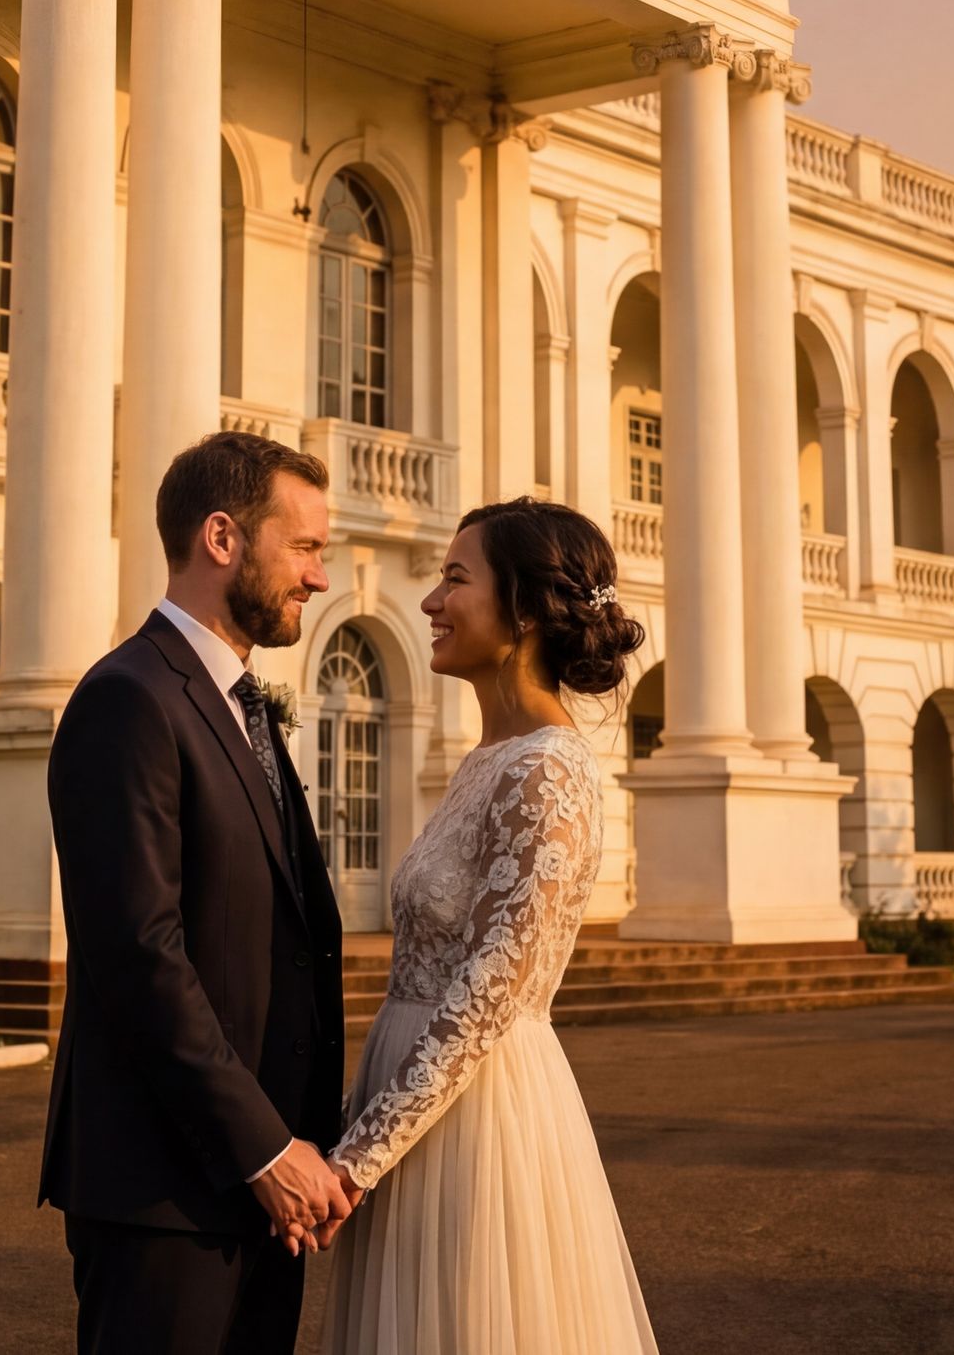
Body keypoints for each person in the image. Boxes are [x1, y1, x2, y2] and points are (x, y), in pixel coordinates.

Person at [320, 497, 661, 1354]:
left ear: (522, 611)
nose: (432, 601)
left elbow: (484, 997)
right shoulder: (485, 760)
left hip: (479, 1120)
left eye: (454, 578)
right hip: (409, 1102)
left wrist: (352, 1161)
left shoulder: (549, 771)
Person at [42, 430, 351, 1355]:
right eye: (303, 547)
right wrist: (265, 1148)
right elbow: (141, 954)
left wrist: (300, 1147)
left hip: (260, 1192)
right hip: (166, 1195)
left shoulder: (239, 701)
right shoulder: (129, 698)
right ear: (222, 537)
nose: (318, 577)